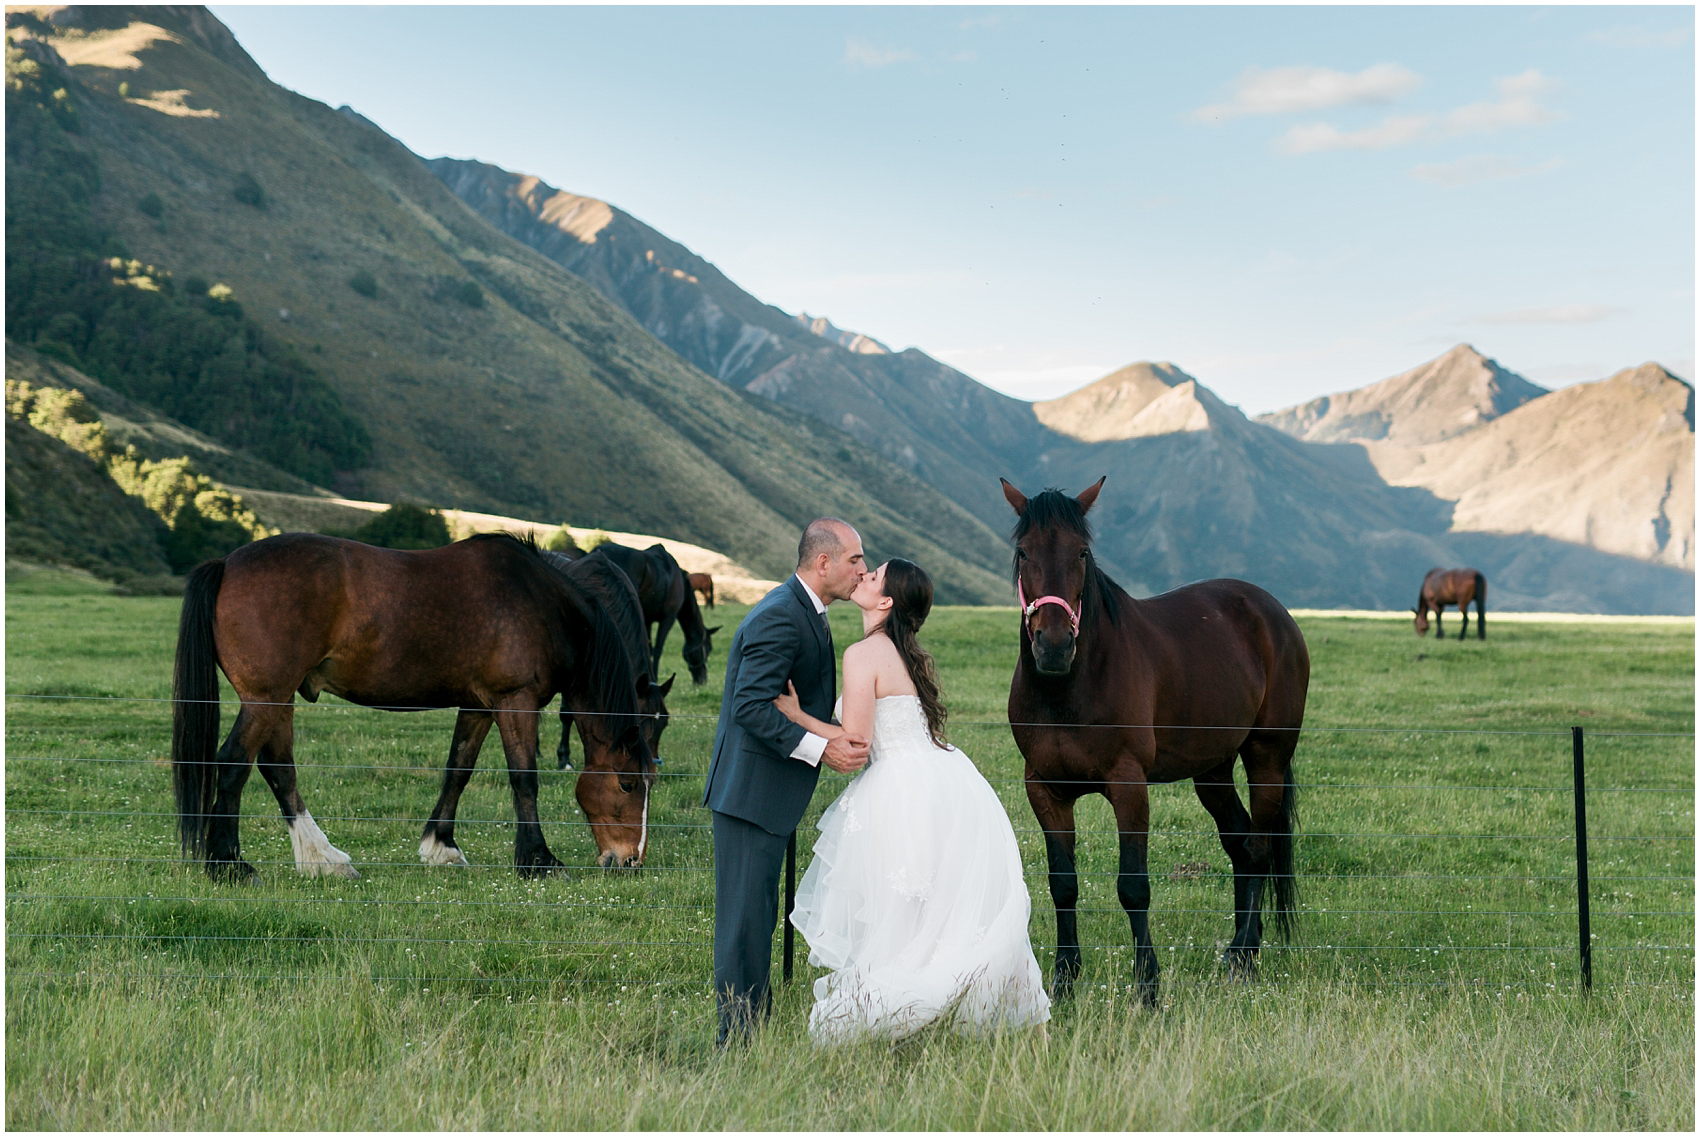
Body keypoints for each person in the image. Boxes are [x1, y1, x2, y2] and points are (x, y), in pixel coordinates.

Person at [779, 558, 1052, 1044]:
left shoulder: (865, 654)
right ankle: (957, 1007)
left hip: (903, 790)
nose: (862, 575)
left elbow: (857, 744)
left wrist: (799, 716)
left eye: (874, 575)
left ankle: (906, 1007)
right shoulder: (904, 652)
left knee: (901, 910)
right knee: (937, 909)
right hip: (947, 783)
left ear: (885, 601)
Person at [703, 518, 871, 1046]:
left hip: (766, 796)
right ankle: (737, 1042)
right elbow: (751, 705)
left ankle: (753, 1028)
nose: (862, 571)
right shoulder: (780, 615)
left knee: (759, 919)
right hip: (750, 795)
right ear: (823, 563)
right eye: (854, 561)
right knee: (744, 926)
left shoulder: (810, 611)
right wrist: (822, 747)